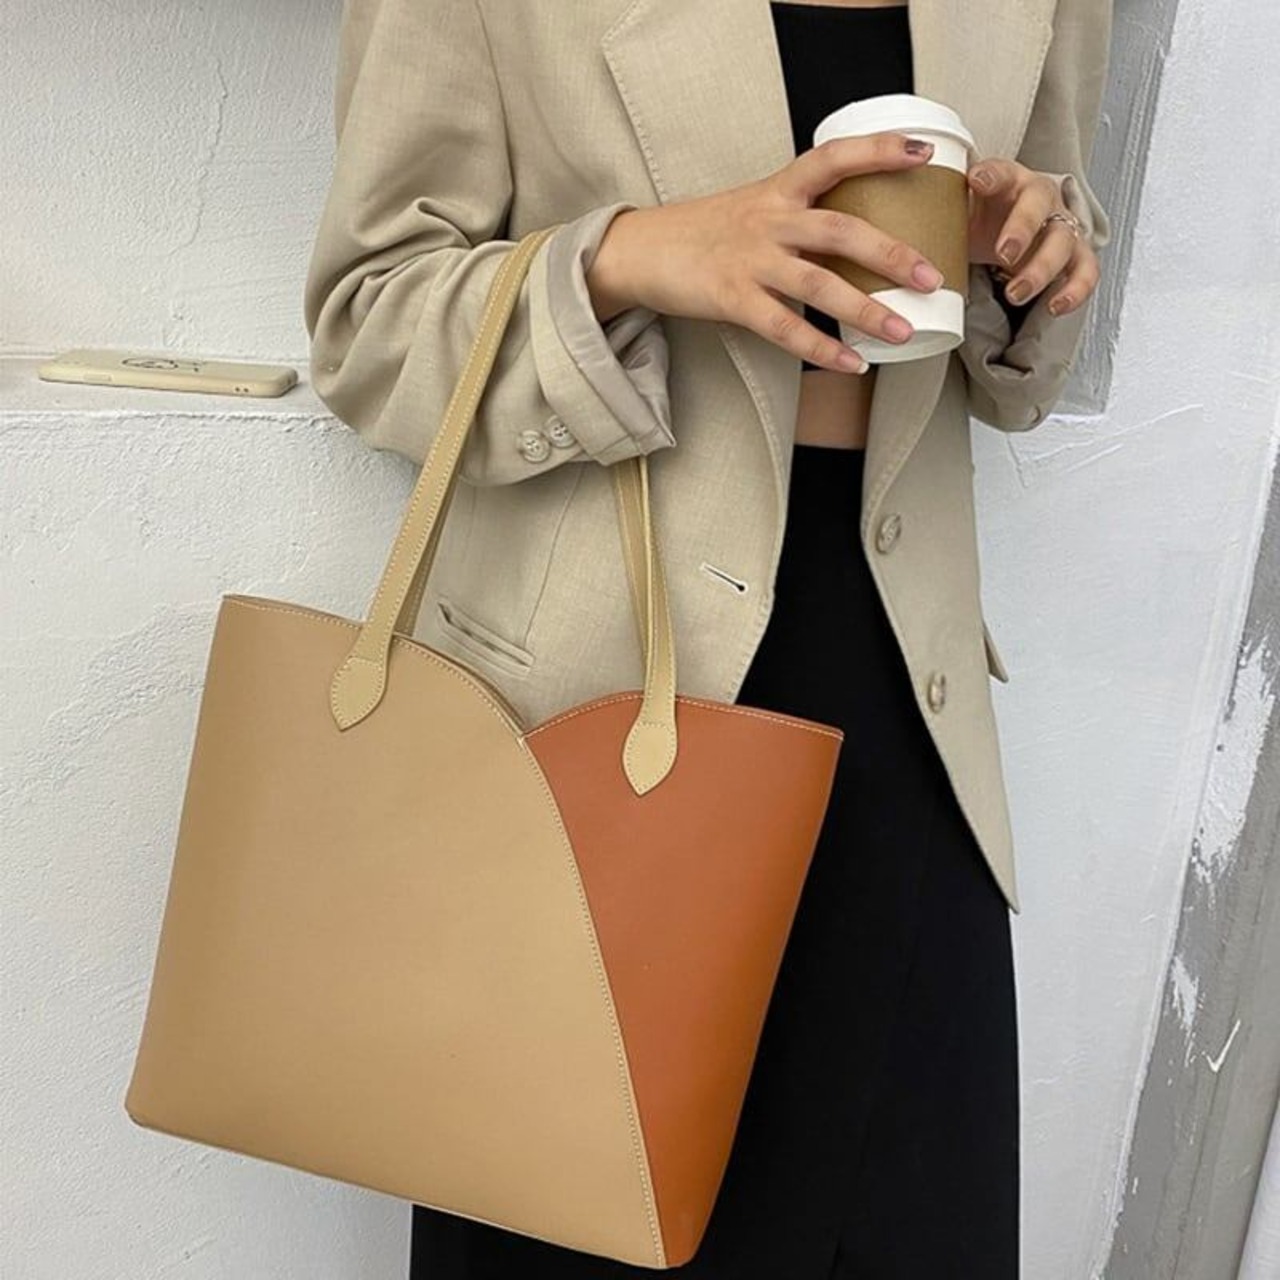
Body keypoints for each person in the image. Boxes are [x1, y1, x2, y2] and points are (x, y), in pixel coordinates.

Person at [303, 0, 1113, 1275]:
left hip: (904, 714)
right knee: (573, 1227)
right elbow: (369, 320)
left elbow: (1024, 353)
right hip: (593, 712)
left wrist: (1031, 256)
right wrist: (632, 257)